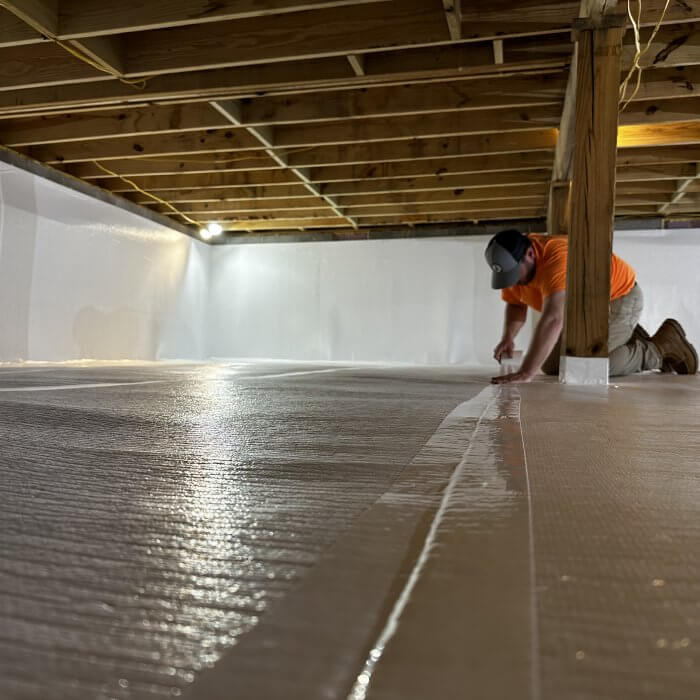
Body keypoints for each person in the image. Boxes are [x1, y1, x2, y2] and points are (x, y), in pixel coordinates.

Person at [484, 229, 698, 385]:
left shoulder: (556, 259)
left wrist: (526, 373)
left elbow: (554, 319)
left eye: (514, 274)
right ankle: (625, 335)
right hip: (584, 309)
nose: (512, 282)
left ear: (530, 255)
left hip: (619, 298)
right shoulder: (515, 272)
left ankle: (659, 348)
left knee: (590, 365)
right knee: (552, 368)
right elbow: (515, 304)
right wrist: (508, 337)